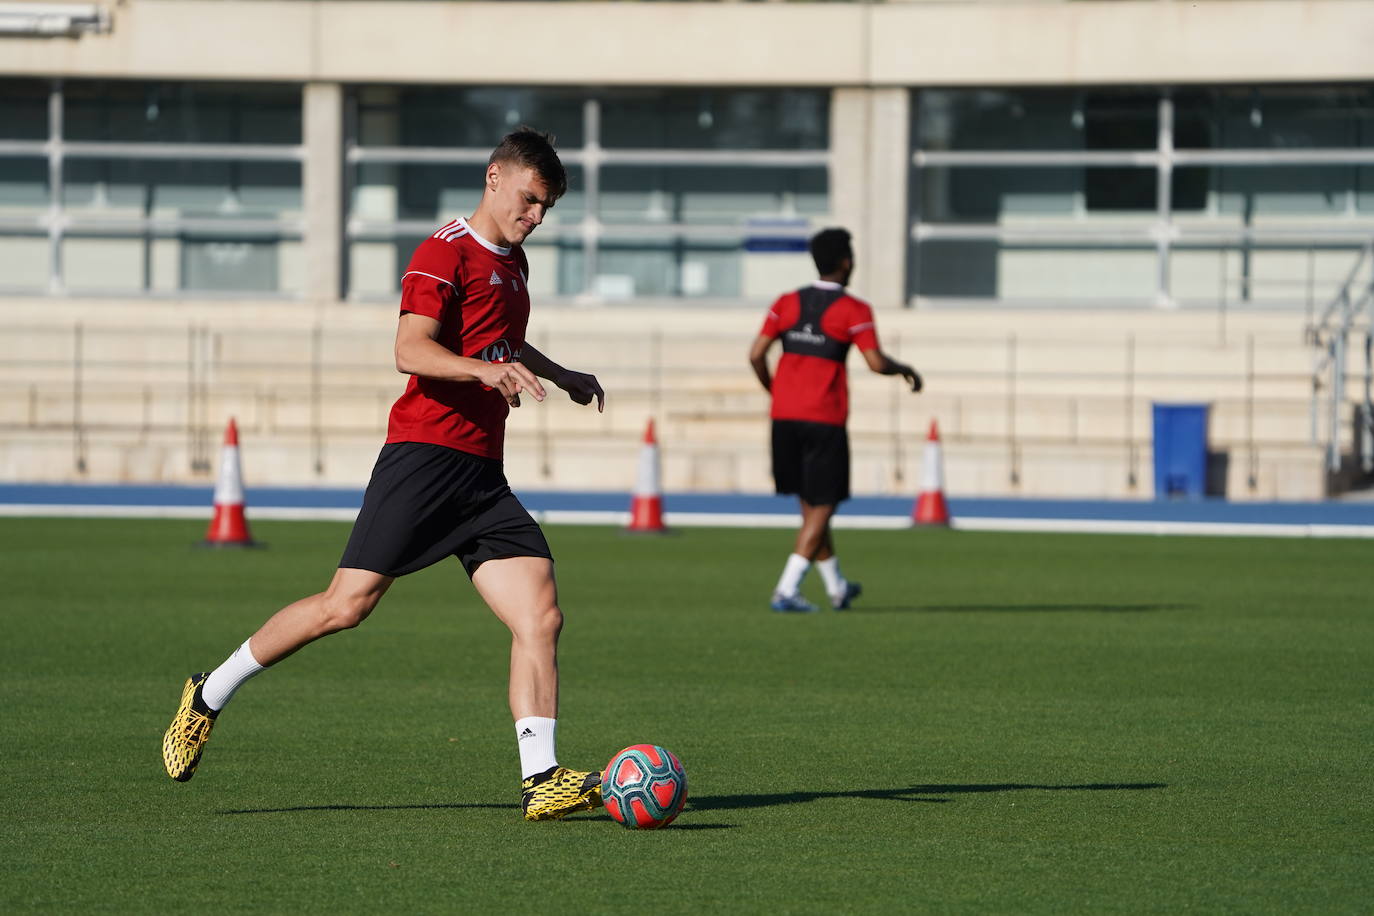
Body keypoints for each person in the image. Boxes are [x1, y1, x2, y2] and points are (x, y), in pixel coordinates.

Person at [162, 128, 608, 821]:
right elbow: (410, 348)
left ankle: (542, 776)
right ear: (495, 178)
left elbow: (501, 339)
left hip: (483, 478)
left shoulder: (513, 263)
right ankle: (209, 691)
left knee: (541, 615)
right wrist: (486, 372)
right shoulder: (443, 249)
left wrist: (560, 372)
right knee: (346, 606)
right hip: (424, 458)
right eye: (529, 200)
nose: (536, 217)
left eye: (546, 208)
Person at [748, 227, 922, 613]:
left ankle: (838, 587)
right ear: (846, 262)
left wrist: (774, 391)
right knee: (825, 502)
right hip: (824, 417)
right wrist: (904, 369)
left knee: (811, 503)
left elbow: (756, 354)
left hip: (784, 416)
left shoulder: (786, 302)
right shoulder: (854, 309)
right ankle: (787, 589)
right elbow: (875, 363)